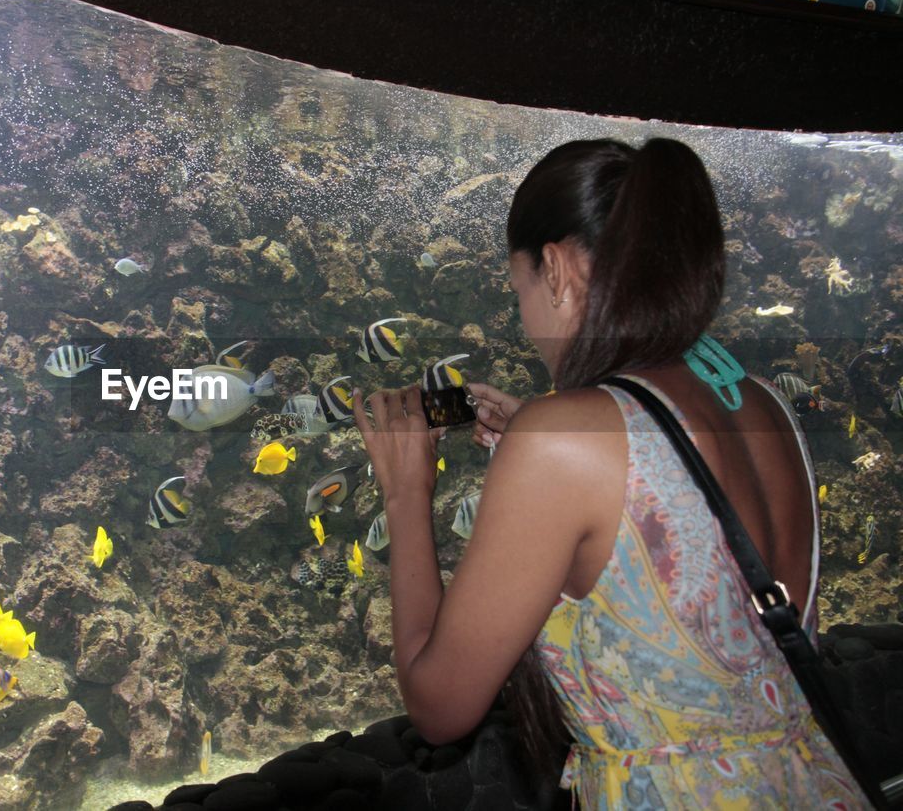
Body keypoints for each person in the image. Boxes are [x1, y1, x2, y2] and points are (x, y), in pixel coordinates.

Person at [351, 138, 870, 808]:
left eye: (521, 291)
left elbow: (438, 702)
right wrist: (550, 447)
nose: (526, 320)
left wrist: (404, 490)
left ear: (558, 267)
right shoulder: (762, 400)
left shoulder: (564, 437)